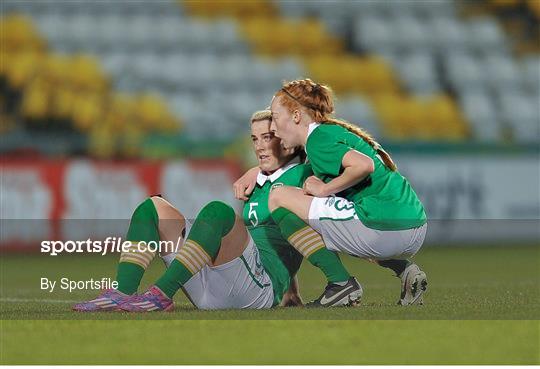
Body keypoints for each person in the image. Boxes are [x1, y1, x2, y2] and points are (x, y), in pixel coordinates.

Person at [73, 110, 315, 311]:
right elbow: (279, 240)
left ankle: (161, 294)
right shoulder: (258, 184)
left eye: (267, 137)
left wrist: (332, 281)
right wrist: (293, 289)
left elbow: (302, 234)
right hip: (211, 285)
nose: (260, 146)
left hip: (257, 292)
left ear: (286, 137)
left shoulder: (306, 176)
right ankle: (122, 292)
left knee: (218, 211)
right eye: (254, 139)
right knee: (152, 208)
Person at [235, 79, 428, 307]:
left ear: (296, 116)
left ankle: (341, 285)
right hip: (413, 226)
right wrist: (256, 171)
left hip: (382, 226)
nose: (274, 129)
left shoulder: (317, 140)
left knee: (279, 198)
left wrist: (325, 189)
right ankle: (405, 271)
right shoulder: (328, 133)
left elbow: (364, 165)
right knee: (334, 224)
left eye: (276, 118)